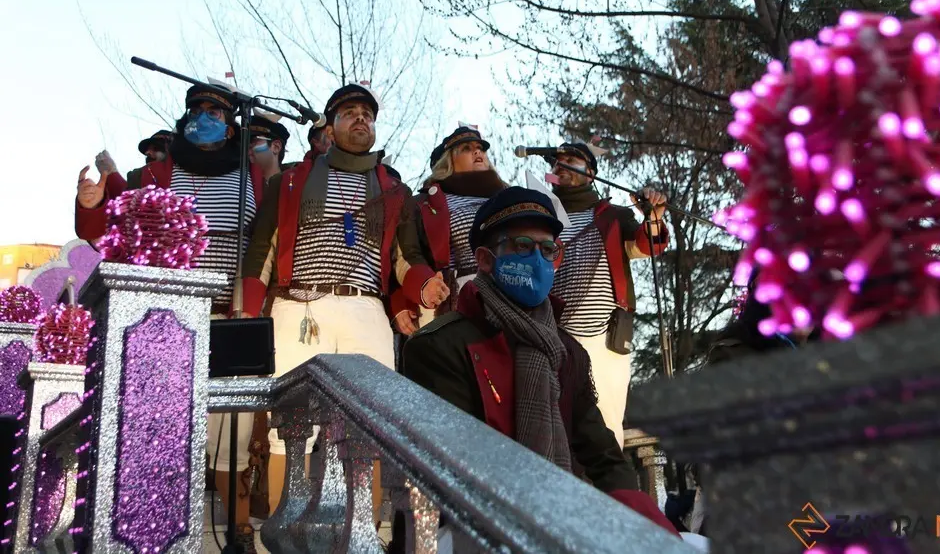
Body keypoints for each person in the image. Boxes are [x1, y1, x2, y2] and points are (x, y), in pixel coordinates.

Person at [401, 187, 680, 541]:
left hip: (561, 525)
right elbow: (455, 473)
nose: (537, 259)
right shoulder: (439, 346)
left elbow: (605, 457)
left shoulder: (568, 351)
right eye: (522, 246)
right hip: (472, 533)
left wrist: (650, 532)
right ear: (485, 260)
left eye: (548, 250)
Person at [236, 82, 442, 514]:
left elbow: (406, 258)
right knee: (287, 428)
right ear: (329, 128)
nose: (361, 118)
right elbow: (261, 252)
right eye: (350, 112)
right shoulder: (289, 182)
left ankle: (363, 534)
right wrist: (247, 314)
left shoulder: (394, 190)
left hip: (364, 308)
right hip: (298, 307)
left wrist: (424, 287)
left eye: (367, 114)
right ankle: (281, 529)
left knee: (369, 424)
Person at [75, 84, 264, 547]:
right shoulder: (154, 174)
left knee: (230, 438)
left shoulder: (254, 176)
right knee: (163, 432)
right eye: (196, 109)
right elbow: (111, 231)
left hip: (231, 314)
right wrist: (90, 205)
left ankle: (238, 530)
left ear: (231, 125)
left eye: (215, 111)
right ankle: (152, 531)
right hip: (166, 321)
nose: (204, 117)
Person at [547, 141, 669, 449]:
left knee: (605, 422)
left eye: (571, 160)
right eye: (557, 161)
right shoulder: (542, 217)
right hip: (551, 334)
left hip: (603, 338)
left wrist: (653, 217)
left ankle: (609, 479)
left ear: (591, 173)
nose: (561, 165)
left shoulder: (613, 216)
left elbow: (645, 246)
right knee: (554, 423)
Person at [392, 125, 508, 334]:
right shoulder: (422, 203)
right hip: (453, 302)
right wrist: (419, 288)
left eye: (480, 148)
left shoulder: (511, 198)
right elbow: (407, 254)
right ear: (448, 161)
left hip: (508, 295)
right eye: (466, 148)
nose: (477, 151)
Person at [248, 113, 291, 192]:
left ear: (276, 147)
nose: (247, 146)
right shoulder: (241, 184)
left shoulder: (294, 184)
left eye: (253, 141)